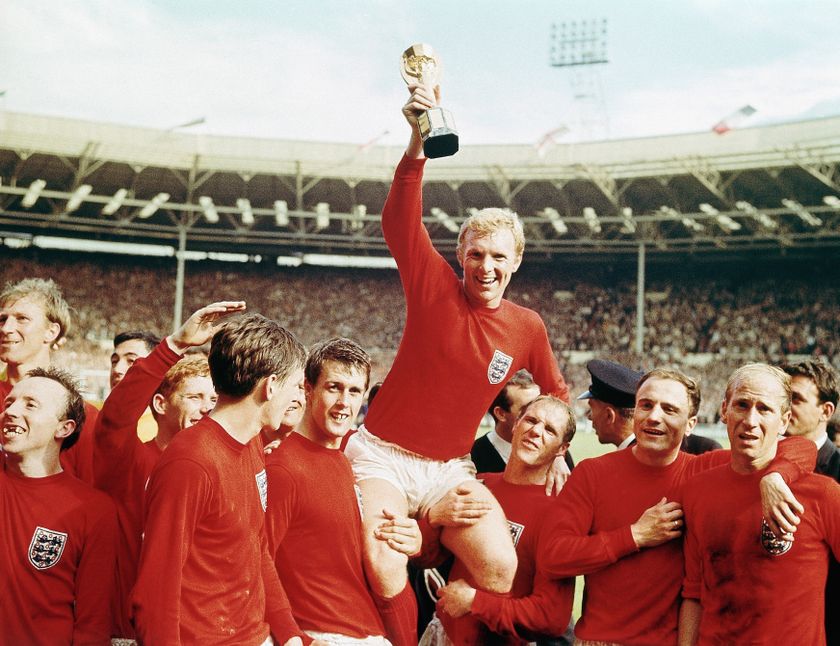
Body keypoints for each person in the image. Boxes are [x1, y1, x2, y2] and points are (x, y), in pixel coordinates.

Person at [345, 81, 570, 646]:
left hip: (450, 469)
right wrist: (417, 141)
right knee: (383, 559)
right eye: (475, 254)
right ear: (459, 256)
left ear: (517, 262)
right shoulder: (434, 287)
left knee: (499, 567)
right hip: (383, 457)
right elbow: (399, 221)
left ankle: (438, 637)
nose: (485, 267)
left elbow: (558, 394)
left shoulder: (527, 327)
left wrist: (557, 453)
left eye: (498, 257)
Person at [537, 368, 816, 645]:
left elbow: (803, 447)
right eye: (646, 405)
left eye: (669, 409)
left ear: (691, 424)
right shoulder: (593, 474)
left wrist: (776, 475)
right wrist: (634, 535)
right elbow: (552, 557)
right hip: (601, 641)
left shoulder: (703, 471)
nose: (654, 417)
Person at [131, 312, 308, 645]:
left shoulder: (252, 443)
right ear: (270, 386)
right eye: (295, 386)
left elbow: (256, 547)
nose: (298, 398)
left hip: (255, 637)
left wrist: (290, 634)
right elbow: (156, 590)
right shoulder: (191, 461)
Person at [94, 302, 240, 640]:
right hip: (131, 632)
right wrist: (173, 346)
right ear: (161, 405)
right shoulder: (129, 462)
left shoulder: (220, 469)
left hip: (199, 631)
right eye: (195, 397)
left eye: (213, 399)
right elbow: (114, 419)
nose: (207, 408)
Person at [266, 338, 420, 644]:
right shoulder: (283, 468)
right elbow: (257, 560)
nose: (343, 403)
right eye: (333, 387)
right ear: (307, 390)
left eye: (353, 392)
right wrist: (295, 638)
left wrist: (415, 539)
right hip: (325, 634)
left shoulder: (353, 459)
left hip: (371, 629)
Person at [679, 364, 840, 645]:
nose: (750, 420)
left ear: (784, 420)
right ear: (724, 410)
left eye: (764, 409)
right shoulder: (697, 489)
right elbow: (694, 594)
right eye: (742, 405)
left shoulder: (823, 493)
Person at [422, 396, 576, 645]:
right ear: (516, 425)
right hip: (442, 634)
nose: (536, 431)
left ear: (562, 449)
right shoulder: (479, 484)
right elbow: (425, 556)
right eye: (531, 420)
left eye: (549, 429)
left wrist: (476, 602)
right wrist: (434, 517)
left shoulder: (559, 514)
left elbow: (551, 617)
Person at [0, 367, 118, 645]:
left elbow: (93, 623)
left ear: (64, 427)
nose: (11, 411)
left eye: (31, 404)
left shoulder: (93, 510)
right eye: (8, 403)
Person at [0, 277, 99, 483]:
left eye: (22, 318)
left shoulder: (83, 414)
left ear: (51, 332)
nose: (5, 328)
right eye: (2, 319)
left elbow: (86, 491)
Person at [781, 358, 840, 644]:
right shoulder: (759, 466)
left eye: (796, 399)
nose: (785, 407)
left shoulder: (838, 472)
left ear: (825, 411)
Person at [578, 358, 643, 450]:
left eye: (591, 408)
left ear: (609, 416)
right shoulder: (644, 451)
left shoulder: (629, 458)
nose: (589, 417)